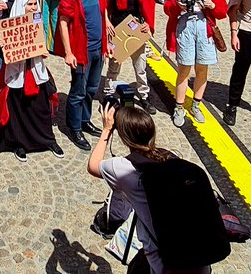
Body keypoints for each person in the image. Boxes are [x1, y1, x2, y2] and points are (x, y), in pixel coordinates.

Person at [87, 103, 230, 274]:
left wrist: (106, 129)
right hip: (200, 260)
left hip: (165, 264)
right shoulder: (170, 158)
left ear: (123, 138)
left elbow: (93, 165)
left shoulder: (125, 168)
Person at [0, 0, 63, 161]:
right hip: (17, 73)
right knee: (18, 110)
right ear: (21, 6)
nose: (33, 8)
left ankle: (47, 140)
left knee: (41, 109)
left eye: (35, 4)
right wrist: (4, 46)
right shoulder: (9, 26)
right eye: (29, 4)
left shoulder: (39, 23)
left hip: (35, 72)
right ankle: (19, 144)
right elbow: (5, 57)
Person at [163, 0, 228, 128]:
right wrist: (178, 6)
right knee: (184, 68)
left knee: (202, 69)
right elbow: (167, 8)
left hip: (204, 29)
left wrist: (212, 6)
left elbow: (222, 12)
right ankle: (179, 107)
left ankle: (196, 105)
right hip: (185, 27)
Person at [56, 0, 110, 151]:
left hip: (98, 49)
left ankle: (85, 120)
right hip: (81, 52)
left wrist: (108, 41)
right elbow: (63, 22)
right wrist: (68, 52)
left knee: (91, 89)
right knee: (78, 91)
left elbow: (102, 13)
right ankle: (74, 126)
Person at [100, 0, 156, 113]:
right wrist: (107, 22)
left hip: (137, 30)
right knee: (114, 66)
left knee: (140, 66)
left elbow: (147, 4)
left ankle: (144, 96)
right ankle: (108, 95)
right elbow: (103, 4)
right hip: (119, 30)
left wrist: (147, 23)